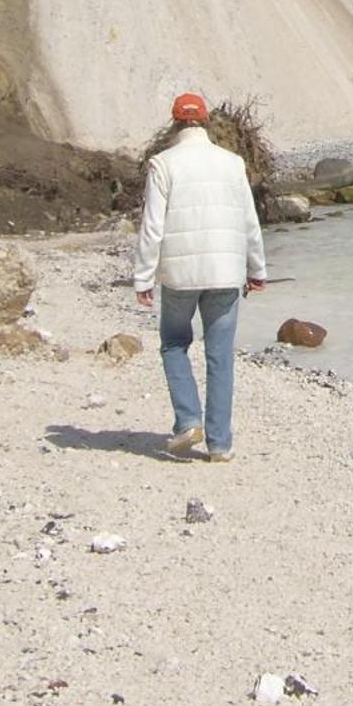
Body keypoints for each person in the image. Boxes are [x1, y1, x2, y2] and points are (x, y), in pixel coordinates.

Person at [134, 91, 267, 460]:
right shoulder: (232, 162)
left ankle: (188, 420)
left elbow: (152, 227)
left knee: (175, 343)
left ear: (175, 122)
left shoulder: (163, 164)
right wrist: (257, 269)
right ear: (205, 121)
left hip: (180, 274)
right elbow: (248, 222)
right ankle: (220, 444)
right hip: (226, 273)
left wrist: (143, 277)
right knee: (220, 356)